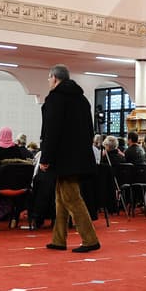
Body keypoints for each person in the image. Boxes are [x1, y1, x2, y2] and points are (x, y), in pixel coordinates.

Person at [39, 64, 100, 253]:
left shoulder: (54, 99)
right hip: (80, 155)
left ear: (55, 78)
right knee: (61, 197)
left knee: (72, 198)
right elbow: (90, 130)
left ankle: (90, 239)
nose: (48, 81)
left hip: (63, 157)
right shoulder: (82, 99)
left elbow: (51, 132)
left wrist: (45, 157)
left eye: (49, 78)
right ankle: (58, 239)